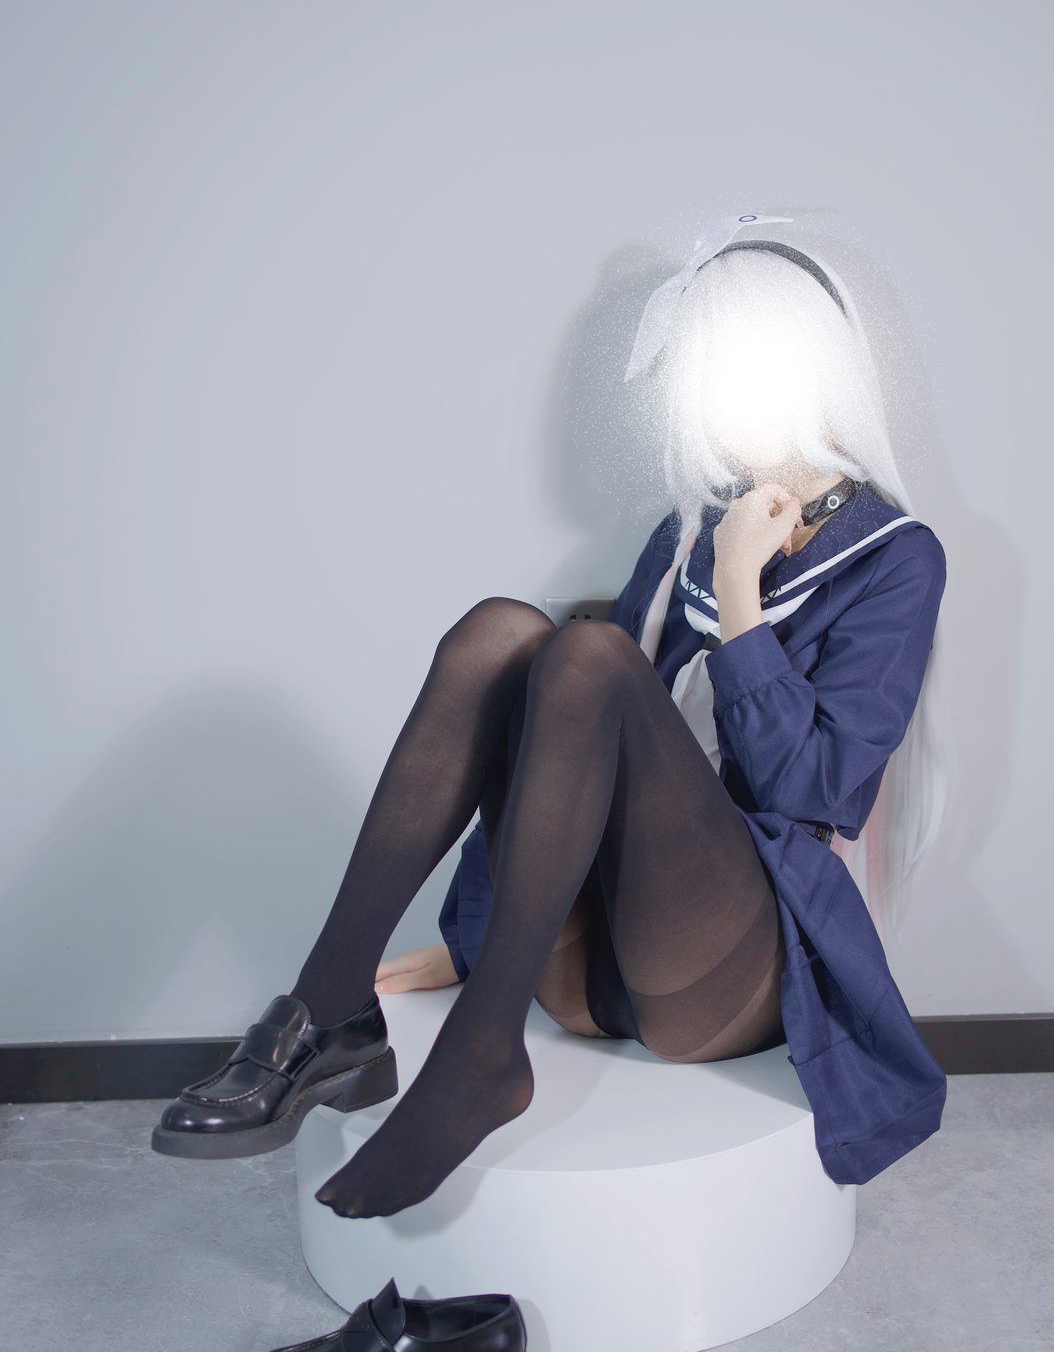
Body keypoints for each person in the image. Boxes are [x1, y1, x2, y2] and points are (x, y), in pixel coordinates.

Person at [152, 214, 950, 1216]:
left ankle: (480, 1056)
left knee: (590, 652)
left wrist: (741, 594)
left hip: (728, 973)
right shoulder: (688, 530)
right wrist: (470, 937)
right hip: (596, 965)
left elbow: (813, 793)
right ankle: (332, 1003)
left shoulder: (896, 557)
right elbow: (571, 757)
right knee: (504, 632)